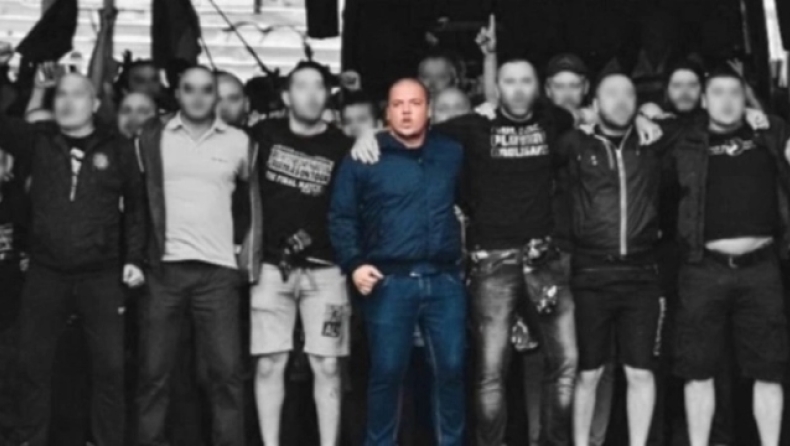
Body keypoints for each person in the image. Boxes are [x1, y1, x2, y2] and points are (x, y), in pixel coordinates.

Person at [0, 69, 145, 446]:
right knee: (32, 365)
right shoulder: (38, 140)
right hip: (46, 272)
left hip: (101, 274)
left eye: (77, 94)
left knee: (110, 369)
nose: (67, 101)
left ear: (95, 104)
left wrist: (134, 258)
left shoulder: (118, 148)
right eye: (61, 94)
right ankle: (31, 440)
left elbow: (137, 208)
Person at [331, 78, 466, 446]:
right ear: (387, 112)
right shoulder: (365, 155)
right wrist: (354, 263)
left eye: (415, 103)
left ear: (430, 110)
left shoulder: (451, 152)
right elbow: (342, 216)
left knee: (452, 370)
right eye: (398, 104)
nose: (406, 111)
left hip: (443, 279)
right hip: (389, 280)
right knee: (387, 372)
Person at [135, 65, 259, 446]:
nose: (199, 97)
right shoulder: (152, 137)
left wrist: (243, 252)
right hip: (165, 269)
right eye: (189, 89)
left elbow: (253, 204)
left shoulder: (239, 142)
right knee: (153, 373)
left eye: (207, 90)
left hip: (218, 273)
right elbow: (137, 202)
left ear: (215, 96)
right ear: (177, 94)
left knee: (227, 375)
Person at [672, 68, 790, 446]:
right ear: (704, 101)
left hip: (761, 267)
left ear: (746, 99)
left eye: (734, 93)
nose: (726, 101)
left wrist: (765, 117)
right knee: (698, 369)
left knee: (769, 369)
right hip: (704, 268)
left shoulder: (770, 134)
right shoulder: (685, 140)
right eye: (718, 93)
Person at [562, 73, 674, 446]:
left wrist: (645, 117)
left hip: (641, 275)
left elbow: (700, 120)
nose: (621, 100)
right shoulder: (575, 144)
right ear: (594, 103)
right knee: (588, 373)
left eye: (628, 94)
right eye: (611, 93)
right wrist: (578, 115)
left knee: (640, 372)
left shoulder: (652, 143)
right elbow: (540, 118)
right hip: (591, 273)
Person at [250, 60, 352, 446]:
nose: (310, 95)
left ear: (328, 95)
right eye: (301, 86)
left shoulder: (343, 146)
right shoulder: (263, 134)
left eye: (318, 87)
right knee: (269, 363)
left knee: (327, 364)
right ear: (286, 96)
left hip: (326, 270)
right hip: (271, 268)